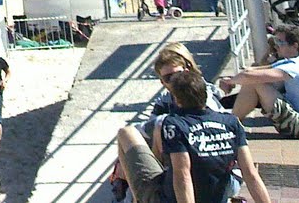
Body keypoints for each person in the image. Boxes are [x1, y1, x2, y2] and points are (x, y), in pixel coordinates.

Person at [115, 68, 272, 203]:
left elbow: (182, 174)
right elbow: (250, 174)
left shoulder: (174, 125)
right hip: (216, 197)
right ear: (205, 94)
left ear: (176, 99)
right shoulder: (231, 122)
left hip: (170, 198)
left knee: (126, 133)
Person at [219, 25, 299, 138]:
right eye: (275, 41)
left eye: (280, 42)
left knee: (255, 81)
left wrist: (230, 82)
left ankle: (230, 125)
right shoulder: (295, 61)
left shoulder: (295, 66)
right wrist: (232, 80)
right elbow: (253, 70)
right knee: (254, 79)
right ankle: (232, 123)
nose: (276, 46)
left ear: (295, 46)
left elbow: (250, 75)